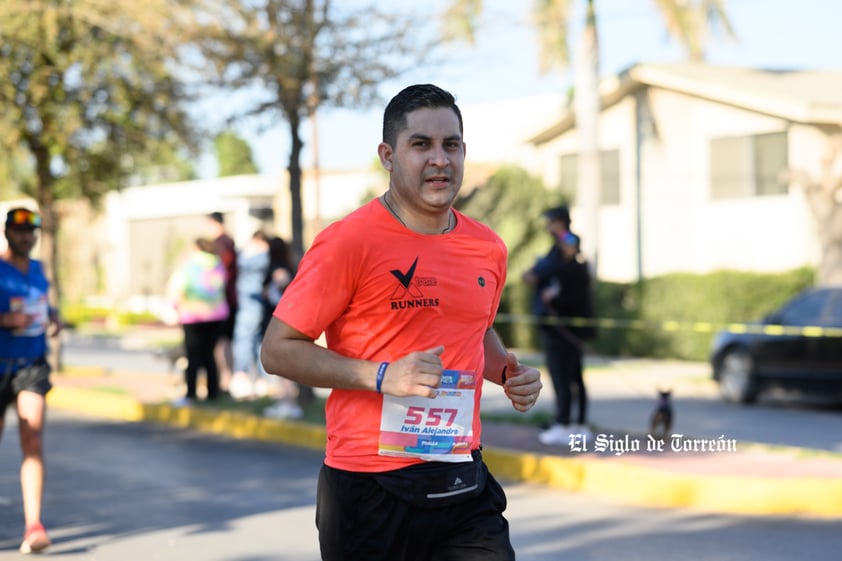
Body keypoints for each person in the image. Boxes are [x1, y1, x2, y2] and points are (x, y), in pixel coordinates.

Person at [261, 83, 542, 561]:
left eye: (451, 145)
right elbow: (278, 348)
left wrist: (507, 373)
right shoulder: (349, 242)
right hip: (369, 486)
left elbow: (477, 329)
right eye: (421, 145)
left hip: (459, 474)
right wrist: (383, 376)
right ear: (388, 156)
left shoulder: (487, 247)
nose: (440, 160)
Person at [0, 207, 60, 554]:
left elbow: (42, 304)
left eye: (32, 232)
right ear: (8, 233)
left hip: (31, 365)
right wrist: (7, 318)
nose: (27, 237)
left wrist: (53, 317)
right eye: (21, 231)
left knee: (33, 437)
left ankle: (34, 525)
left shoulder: (39, 269)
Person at [537, 231, 595, 445]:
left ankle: (571, 423)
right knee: (564, 378)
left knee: (570, 378)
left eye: (569, 243)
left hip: (570, 334)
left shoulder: (578, 269)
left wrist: (555, 297)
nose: (565, 247)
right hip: (560, 332)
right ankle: (566, 421)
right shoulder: (559, 268)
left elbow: (575, 299)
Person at [521, 206, 574, 444]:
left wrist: (538, 271)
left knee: (564, 373)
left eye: (550, 222)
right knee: (557, 372)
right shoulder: (557, 243)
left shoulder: (567, 238)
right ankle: (560, 417)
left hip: (560, 321)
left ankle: (565, 421)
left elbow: (564, 259)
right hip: (549, 320)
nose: (547, 227)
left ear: (560, 222)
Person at [165, 238, 229, 404]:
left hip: (193, 315)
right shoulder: (218, 265)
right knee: (210, 355)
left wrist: (175, 309)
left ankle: (191, 394)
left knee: (193, 356)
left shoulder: (189, 266)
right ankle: (212, 393)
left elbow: (177, 289)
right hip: (217, 315)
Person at [260, 236, 303, 419]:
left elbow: (283, 284)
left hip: (277, 321)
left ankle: (288, 403)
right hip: (284, 320)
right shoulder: (290, 264)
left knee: (282, 367)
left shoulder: (277, 268)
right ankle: (285, 402)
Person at [229, 230, 272, 400]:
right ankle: (260, 379)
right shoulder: (261, 256)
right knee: (256, 341)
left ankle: (243, 375)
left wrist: (250, 250)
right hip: (251, 302)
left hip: (252, 304)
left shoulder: (257, 255)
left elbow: (242, 261)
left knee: (245, 338)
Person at [206, 211, 237, 392]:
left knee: (221, 341)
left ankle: (225, 377)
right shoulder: (228, 241)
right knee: (225, 341)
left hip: (223, 300)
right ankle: (226, 376)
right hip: (227, 298)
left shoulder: (221, 243)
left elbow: (223, 273)